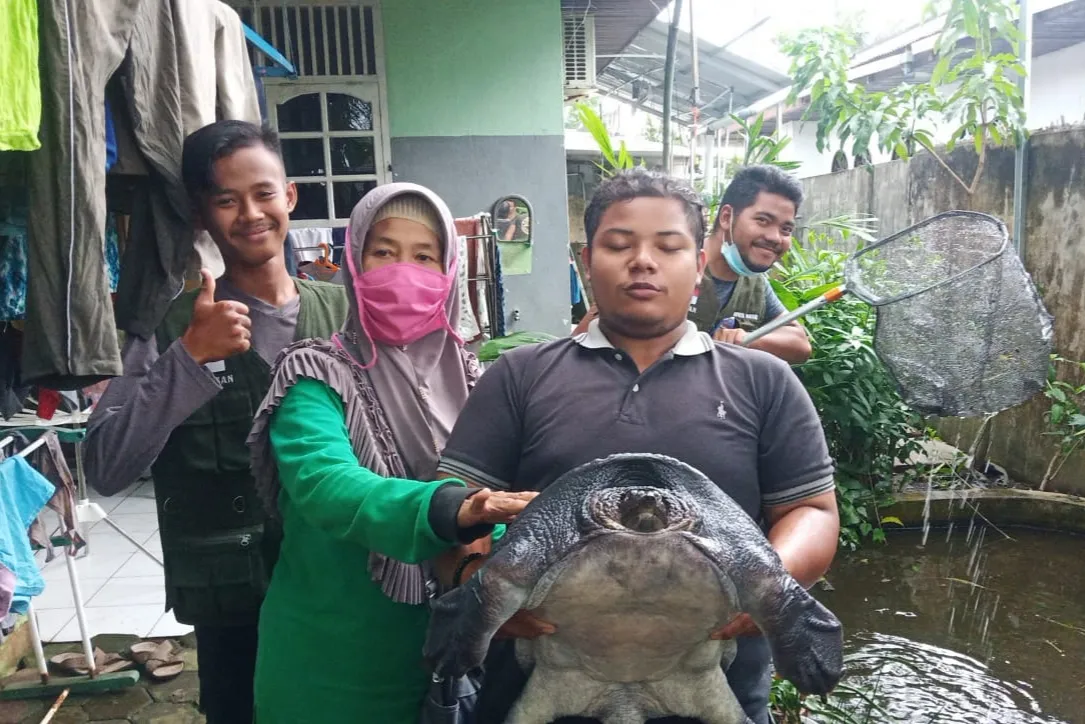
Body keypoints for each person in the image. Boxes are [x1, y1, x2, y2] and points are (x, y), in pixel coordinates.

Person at [437, 168, 840, 724]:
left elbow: (811, 510)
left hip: (714, 691)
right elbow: (454, 503)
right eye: (619, 244)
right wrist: (472, 581)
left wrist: (768, 591)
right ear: (587, 261)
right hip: (540, 689)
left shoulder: (763, 380)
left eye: (668, 247)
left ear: (698, 264)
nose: (643, 261)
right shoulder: (520, 375)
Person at [83, 120, 349, 724]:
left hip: (343, 588)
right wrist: (189, 359)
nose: (250, 214)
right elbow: (105, 465)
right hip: (235, 608)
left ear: (290, 197)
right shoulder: (169, 327)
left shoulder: (346, 314)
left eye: (263, 193)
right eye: (226, 200)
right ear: (201, 215)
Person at [245, 182, 536, 723]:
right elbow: (326, 486)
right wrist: (451, 508)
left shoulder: (475, 382)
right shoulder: (313, 375)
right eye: (384, 252)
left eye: (424, 256)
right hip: (331, 667)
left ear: (449, 271)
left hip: (449, 660)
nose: (404, 271)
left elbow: (514, 498)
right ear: (355, 262)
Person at [689, 164, 812, 364]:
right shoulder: (678, 263)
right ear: (727, 217)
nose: (775, 237)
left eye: (786, 229)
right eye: (763, 220)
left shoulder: (755, 284)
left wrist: (749, 340)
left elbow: (800, 344)